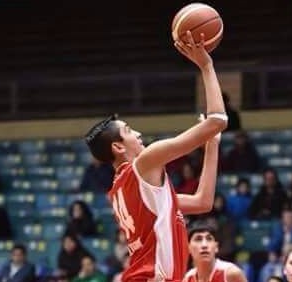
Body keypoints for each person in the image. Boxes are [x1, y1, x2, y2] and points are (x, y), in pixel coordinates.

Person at [84, 31, 227, 282]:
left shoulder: (121, 189)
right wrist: (206, 65)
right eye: (129, 131)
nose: (138, 134)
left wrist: (212, 146)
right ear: (118, 147)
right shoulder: (144, 163)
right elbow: (218, 120)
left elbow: (202, 202)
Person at [183, 223, 247, 282]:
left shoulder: (231, 273)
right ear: (188, 248)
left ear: (216, 247)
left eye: (209, 239)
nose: (204, 245)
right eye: (198, 239)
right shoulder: (188, 278)